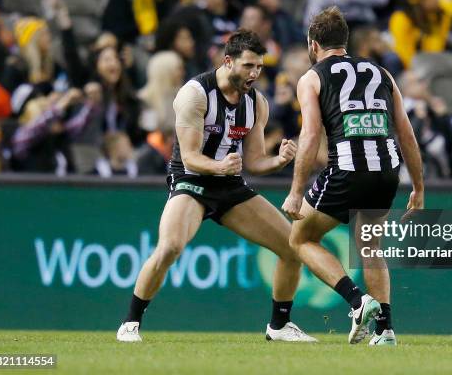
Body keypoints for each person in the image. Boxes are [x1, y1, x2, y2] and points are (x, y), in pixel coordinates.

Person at [117, 29, 316, 343]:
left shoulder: (256, 103)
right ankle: (130, 323)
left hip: (230, 186)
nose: (254, 74)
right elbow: (191, 157)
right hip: (192, 182)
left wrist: (279, 161)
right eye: (248, 66)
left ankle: (279, 326)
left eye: (259, 67)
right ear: (227, 61)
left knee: (292, 248)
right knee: (169, 248)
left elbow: (253, 162)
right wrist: (220, 166)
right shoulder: (195, 94)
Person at [281, 7, 424, 346]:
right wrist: (418, 186)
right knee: (371, 246)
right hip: (387, 170)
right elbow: (406, 134)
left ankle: (358, 302)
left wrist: (296, 191)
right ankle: (385, 331)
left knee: (300, 239)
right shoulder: (382, 74)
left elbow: (311, 134)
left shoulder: (312, 77)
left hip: (347, 169)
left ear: (313, 44)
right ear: (344, 41)